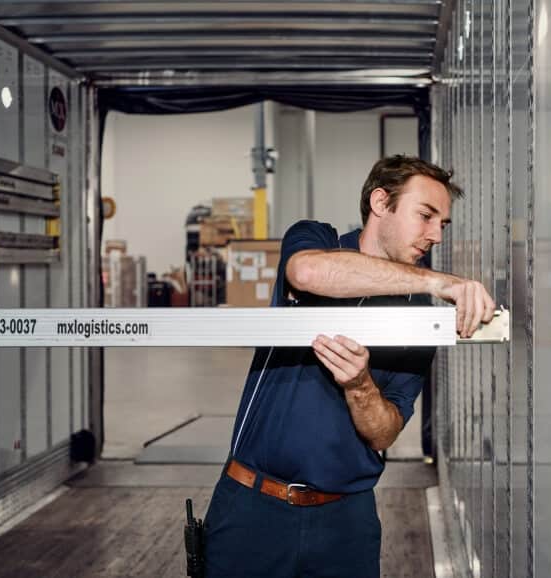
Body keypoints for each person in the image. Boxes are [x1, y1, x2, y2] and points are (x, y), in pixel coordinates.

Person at [203, 155, 496, 578]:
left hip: (345, 521)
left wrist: (360, 385)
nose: (435, 235)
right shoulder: (316, 240)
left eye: (442, 225)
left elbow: (385, 431)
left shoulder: (418, 316)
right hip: (251, 508)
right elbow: (306, 272)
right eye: (426, 216)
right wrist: (441, 281)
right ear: (381, 202)